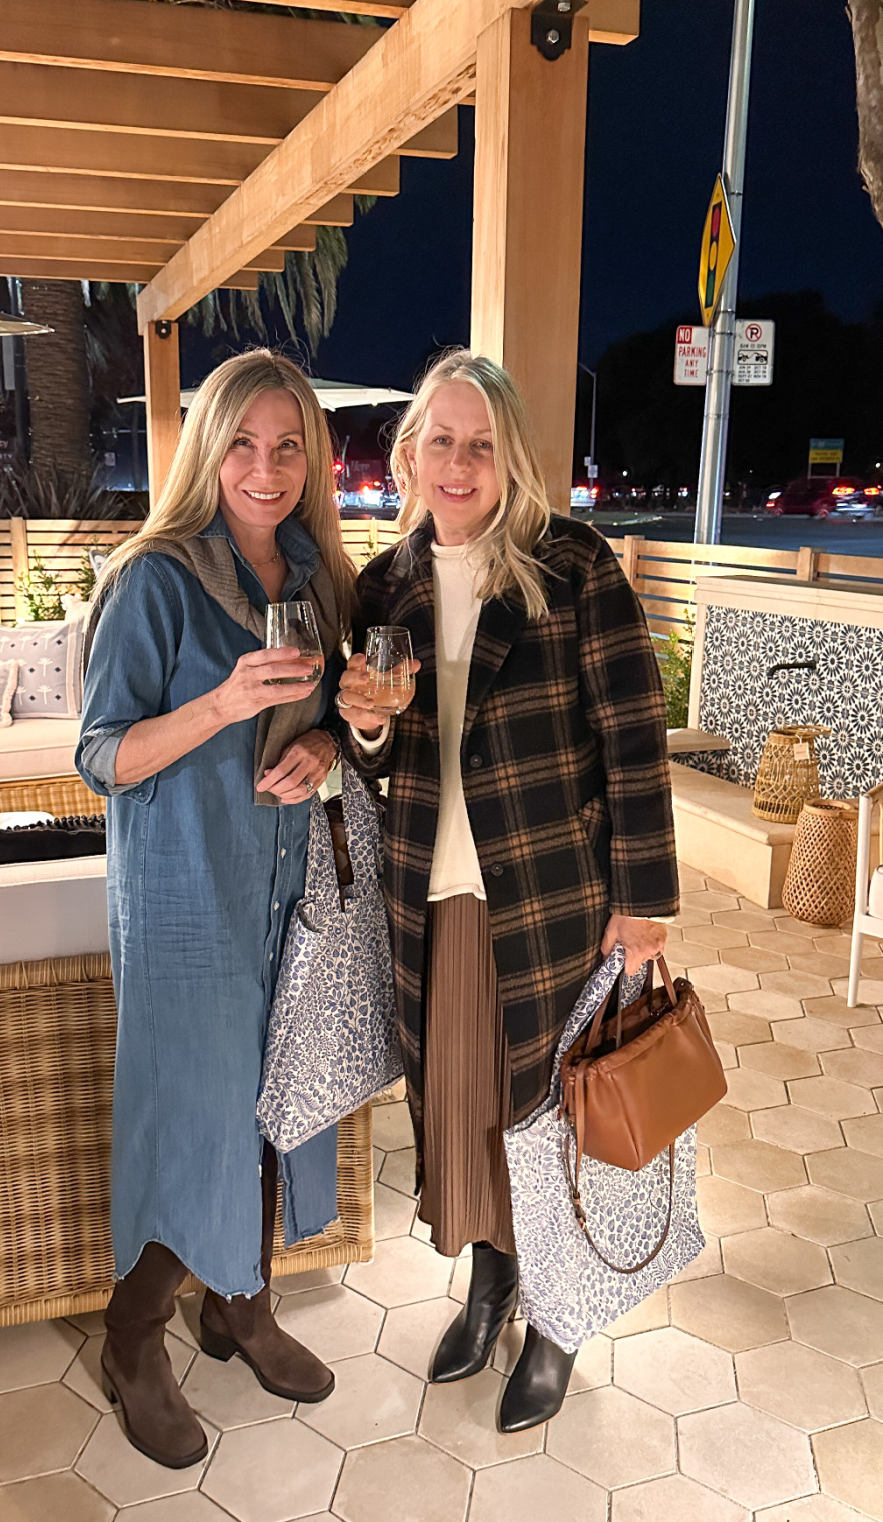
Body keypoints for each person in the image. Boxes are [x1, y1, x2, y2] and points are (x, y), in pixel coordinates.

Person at [337, 350, 679, 1433]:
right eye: (440, 440)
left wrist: (645, 900)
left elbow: (633, 741)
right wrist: (370, 727)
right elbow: (376, 759)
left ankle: (560, 1322)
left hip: (547, 899)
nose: (459, 461)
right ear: (410, 455)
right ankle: (490, 1281)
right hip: (429, 900)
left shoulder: (570, 567)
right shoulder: (382, 584)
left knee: (551, 1116)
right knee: (466, 1112)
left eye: (480, 442)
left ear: (511, 456)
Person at [77, 350, 357, 1469]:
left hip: (291, 893)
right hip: (187, 900)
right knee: (185, 1115)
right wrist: (222, 701)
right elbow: (102, 756)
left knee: (279, 1103)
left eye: (289, 445)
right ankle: (131, 1338)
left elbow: (333, 723)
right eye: (242, 441)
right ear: (208, 449)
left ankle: (240, 1306)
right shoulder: (153, 580)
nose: (265, 466)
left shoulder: (317, 577)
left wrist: (331, 738)